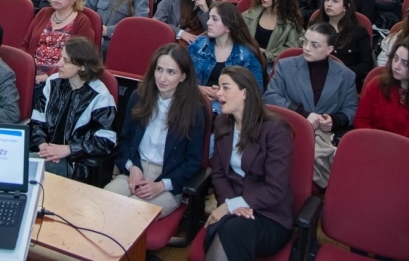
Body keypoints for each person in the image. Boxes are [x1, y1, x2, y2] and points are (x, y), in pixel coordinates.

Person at [106, 44, 209, 215]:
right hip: (135, 170)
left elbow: (193, 162)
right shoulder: (138, 97)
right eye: (159, 69)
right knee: (103, 203)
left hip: (168, 182)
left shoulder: (194, 110)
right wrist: (132, 167)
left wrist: (162, 185)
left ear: (183, 76)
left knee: (132, 213)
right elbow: (125, 141)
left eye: (171, 72)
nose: (162, 78)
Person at [203, 66, 294, 261]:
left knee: (229, 229)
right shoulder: (222, 122)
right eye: (219, 87)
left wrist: (231, 206)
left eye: (226, 87)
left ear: (244, 93)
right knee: (225, 228)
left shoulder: (275, 130)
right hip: (234, 206)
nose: (219, 93)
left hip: (270, 214)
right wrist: (230, 204)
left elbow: (276, 188)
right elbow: (218, 173)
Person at [264, 22, 358, 186]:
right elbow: (270, 97)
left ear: (329, 49)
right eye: (305, 41)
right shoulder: (286, 66)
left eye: (315, 45)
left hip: (323, 135)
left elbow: (351, 109)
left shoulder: (346, 75)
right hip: (288, 129)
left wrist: (335, 120)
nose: (307, 48)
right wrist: (302, 113)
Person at [30, 36, 117, 181]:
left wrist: (68, 149)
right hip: (47, 153)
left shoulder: (100, 96)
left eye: (65, 60)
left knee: (23, 167)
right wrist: (43, 145)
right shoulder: (53, 82)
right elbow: (37, 120)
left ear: (82, 67)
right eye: (61, 57)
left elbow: (105, 142)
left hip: (77, 164)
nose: (58, 63)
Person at [24, 0, 97, 84]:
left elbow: (81, 58)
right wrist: (25, 67)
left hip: (61, 78)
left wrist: (49, 76)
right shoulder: (43, 13)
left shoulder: (82, 21)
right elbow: (25, 44)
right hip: (30, 73)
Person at [190, 2, 266, 103]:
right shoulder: (198, 45)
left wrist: (223, 94)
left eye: (214, 19)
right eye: (209, 18)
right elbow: (180, 76)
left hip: (229, 106)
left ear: (228, 27)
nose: (208, 22)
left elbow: (256, 92)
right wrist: (197, 88)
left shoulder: (247, 56)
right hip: (195, 100)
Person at [242, 0, 306, 65]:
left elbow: (292, 48)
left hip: (273, 64)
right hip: (245, 59)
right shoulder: (248, 15)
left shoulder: (291, 22)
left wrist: (266, 54)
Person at [318, 0, 373, 87]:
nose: (329, 4)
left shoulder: (358, 32)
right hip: (318, 79)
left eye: (335, 1)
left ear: (346, 7)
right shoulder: (316, 28)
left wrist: (341, 73)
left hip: (346, 83)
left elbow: (367, 65)